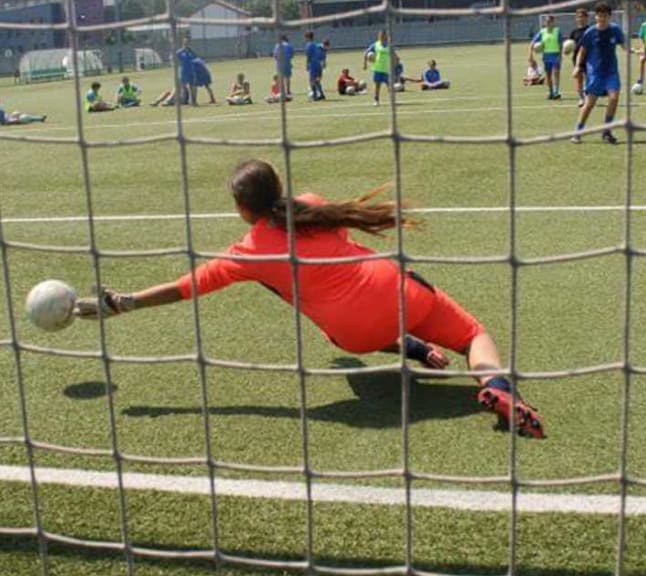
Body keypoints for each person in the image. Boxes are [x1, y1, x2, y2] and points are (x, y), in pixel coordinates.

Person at [73, 159, 546, 439]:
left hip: (353, 334)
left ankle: (416, 348)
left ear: (241, 209)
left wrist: (124, 302)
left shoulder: (245, 254)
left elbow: (183, 288)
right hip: (398, 293)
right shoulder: (312, 205)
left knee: (342, 327)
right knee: (473, 335)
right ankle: (497, 389)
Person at [572, 2, 629, 144]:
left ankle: (606, 131)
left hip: (611, 72)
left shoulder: (615, 29)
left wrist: (634, 51)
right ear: (596, 16)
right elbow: (582, 51)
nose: (601, 18)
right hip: (595, 73)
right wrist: (578, 66)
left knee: (614, 98)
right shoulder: (590, 32)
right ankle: (578, 131)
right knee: (590, 103)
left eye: (605, 16)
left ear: (609, 16)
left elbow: (623, 45)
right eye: (599, 16)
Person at [530, 14, 562, 100]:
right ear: (545, 22)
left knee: (556, 74)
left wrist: (560, 55)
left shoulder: (557, 31)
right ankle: (550, 92)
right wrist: (531, 54)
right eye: (547, 21)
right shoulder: (542, 32)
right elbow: (532, 42)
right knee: (548, 75)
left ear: (553, 22)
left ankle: (556, 92)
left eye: (550, 21)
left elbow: (560, 44)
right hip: (546, 56)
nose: (548, 23)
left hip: (556, 55)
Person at [567, 8, 591, 107]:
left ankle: (588, 95)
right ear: (576, 19)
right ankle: (581, 98)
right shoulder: (574, 32)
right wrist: (566, 49)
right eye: (579, 17)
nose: (581, 19)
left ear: (586, 18)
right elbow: (570, 45)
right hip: (577, 58)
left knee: (589, 78)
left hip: (589, 58)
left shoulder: (590, 30)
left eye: (583, 17)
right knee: (579, 79)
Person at [363, 29, 393, 106]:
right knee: (377, 86)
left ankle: (392, 100)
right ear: (379, 36)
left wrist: (395, 62)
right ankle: (376, 100)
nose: (383, 36)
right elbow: (366, 53)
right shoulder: (375, 45)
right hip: (377, 68)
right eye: (381, 35)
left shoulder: (389, 45)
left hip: (386, 68)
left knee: (389, 85)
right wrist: (365, 64)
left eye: (384, 35)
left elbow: (393, 54)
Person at [304, 31, 326, 101]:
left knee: (311, 80)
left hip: (313, 64)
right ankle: (321, 94)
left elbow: (308, 56)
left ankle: (315, 95)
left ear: (307, 37)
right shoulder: (315, 44)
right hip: (318, 63)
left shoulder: (309, 45)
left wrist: (307, 65)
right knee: (317, 80)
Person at [175, 38, 198, 105]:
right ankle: (184, 100)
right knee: (183, 87)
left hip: (191, 71)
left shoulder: (191, 51)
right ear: (183, 43)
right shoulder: (180, 52)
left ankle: (194, 101)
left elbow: (196, 58)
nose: (187, 44)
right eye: (185, 43)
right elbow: (175, 57)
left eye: (188, 43)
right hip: (183, 72)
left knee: (193, 86)